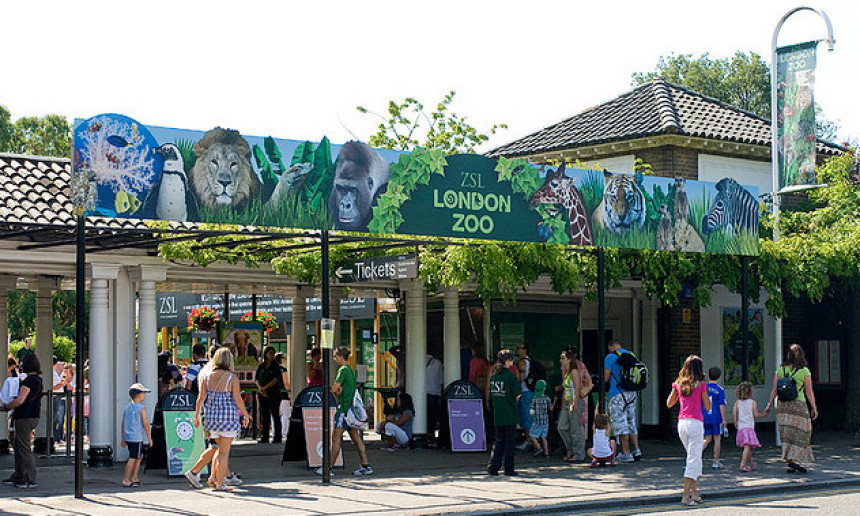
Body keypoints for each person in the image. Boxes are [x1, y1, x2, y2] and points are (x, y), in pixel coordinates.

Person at [188, 348, 251, 491]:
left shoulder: (207, 376)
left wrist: (197, 416)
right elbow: (237, 399)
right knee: (224, 453)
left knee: (216, 448)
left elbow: (200, 398)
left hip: (211, 419)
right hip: (228, 418)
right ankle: (220, 483)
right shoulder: (231, 377)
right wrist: (246, 414)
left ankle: (213, 478)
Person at [316, 346, 372, 476]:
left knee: (336, 437)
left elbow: (335, 388)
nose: (334, 359)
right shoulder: (351, 371)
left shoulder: (342, 370)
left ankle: (328, 468)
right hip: (351, 410)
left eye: (336, 356)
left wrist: (336, 391)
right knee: (356, 437)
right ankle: (365, 465)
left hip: (343, 410)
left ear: (341, 357)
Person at [765, 343, 818, 474]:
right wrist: (814, 407)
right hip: (798, 404)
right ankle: (794, 460)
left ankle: (790, 461)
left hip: (783, 406)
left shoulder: (781, 370)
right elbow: (809, 392)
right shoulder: (804, 371)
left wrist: (769, 404)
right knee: (803, 432)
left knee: (787, 434)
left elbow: (774, 390)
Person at [666, 354, 711, 507]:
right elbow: (707, 406)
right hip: (696, 423)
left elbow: (669, 403)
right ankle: (685, 496)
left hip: (682, 423)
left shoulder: (678, 383)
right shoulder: (701, 384)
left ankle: (695, 494)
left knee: (694, 458)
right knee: (693, 460)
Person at [1, 354, 43, 489]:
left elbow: (20, 400)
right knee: (19, 447)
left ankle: (29, 478)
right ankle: (20, 475)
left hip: (24, 417)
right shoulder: (38, 380)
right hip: (33, 416)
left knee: (23, 448)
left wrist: (6, 407)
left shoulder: (28, 381)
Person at [603, 339, 642, 463]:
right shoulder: (631, 355)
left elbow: (606, 377)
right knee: (631, 421)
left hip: (617, 393)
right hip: (631, 393)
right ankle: (637, 449)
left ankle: (626, 453)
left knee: (620, 423)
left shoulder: (610, 357)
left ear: (610, 347)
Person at [487, 350, 521, 476]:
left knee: (499, 441)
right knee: (510, 443)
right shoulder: (511, 376)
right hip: (510, 413)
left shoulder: (494, 377)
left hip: (498, 413)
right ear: (508, 361)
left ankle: (493, 467)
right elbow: (517, 395)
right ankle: (509, 469)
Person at [120, 383, 153, 487]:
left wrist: (123, 437)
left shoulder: (127, 407)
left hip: (129, 436)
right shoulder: (141, 408)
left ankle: (134, 477)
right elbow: (145, 424)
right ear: (138, 395)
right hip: (137, 437)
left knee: (139, 456)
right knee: (133, 457)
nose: (144, 396)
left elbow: (123, 422)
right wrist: (150, 438)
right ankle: (127, 479)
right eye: (143, 393)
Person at [554, 347, 583, 462]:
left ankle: (578, 454)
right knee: (561, 427)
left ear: (569, 359)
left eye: (563, 358)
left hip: (574, 401)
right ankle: (570, 449)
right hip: (566, 401)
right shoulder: (566, 372)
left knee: (575, 429)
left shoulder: (574, 372)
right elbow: (564, 386)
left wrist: (574, 402)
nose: (561, 360)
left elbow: (577, 388)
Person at [733, 381, 765, 473]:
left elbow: (734, 412)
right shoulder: (752, 402)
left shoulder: (737, 402)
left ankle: (752, 464)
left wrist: (735, 422)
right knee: (747, 446)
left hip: (741, 427)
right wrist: (764, 415)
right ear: (750, 392)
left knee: (747, 446)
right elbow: (756, 414)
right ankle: (742, 465)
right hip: (749, 427)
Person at [255, 346, 284, 444]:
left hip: (274, 394)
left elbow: (275, 380)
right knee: (265, 416)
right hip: (263, 394)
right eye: (270, 353)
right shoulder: (261, 366)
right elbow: (257, 379)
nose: (271, 355)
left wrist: (265, 388)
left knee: (275, 415)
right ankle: (265, 437)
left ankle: (277, 437)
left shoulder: (276, 367)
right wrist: (261, 389)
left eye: (273, 353)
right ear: (265, 354)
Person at [702, 366, 727, 469]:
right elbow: (721, 405)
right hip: (716, 417)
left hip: (705, 416)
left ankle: (694, 457)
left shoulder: (704, 388)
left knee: (707, 439)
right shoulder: (720, 390)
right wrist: (724, 418)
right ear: (719, 376)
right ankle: (716, 461)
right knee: (717, 439)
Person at [528, 379, 551, 458]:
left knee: (532, 435)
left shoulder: (535, 398)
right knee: (544, 437)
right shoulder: (547, 398)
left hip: (537, 420)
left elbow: (532, 409)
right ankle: (547, 453)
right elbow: (550, 408)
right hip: (545, 421)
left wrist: (531, 415)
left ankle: (539, 448)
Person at [425, 353, 444, 443]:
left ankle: (423, 432)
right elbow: (440, 380)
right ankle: (431, 434)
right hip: (434, 391)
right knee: (432, 415)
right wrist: (440, 394)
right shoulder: (438, 363)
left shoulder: (418, 361)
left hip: (421, 392)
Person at [51, 357, 69, 444]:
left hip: (57, 397)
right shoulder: (53, 373)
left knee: (58, 418)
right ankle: (55, 437)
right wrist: (62, 384)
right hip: (55, 396)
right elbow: (53, 386)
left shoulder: (55, 373)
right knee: (55, 418)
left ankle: (57, 436)